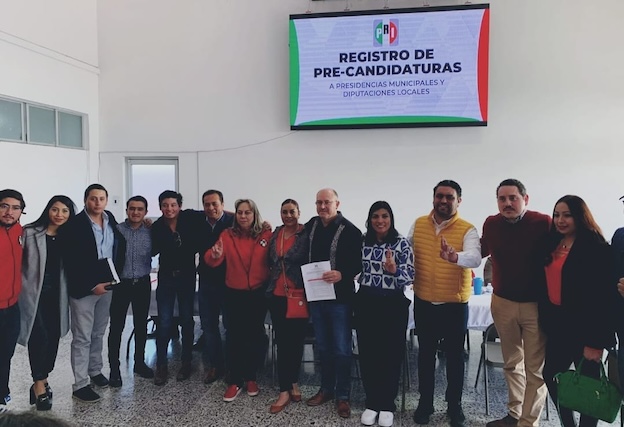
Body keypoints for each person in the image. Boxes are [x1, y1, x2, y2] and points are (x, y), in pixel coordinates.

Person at [537, 195, 615, 427]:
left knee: (589, 386)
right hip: (558, 325)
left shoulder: (597, 249)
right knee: (551, 375)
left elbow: (604, 299)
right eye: (556, 215)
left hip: (586, 328)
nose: (560, 220)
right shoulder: (552, 244)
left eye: (567, 215)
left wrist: (596, 342)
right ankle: (568, 424)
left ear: (580, 217)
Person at [410, 180, 481, 427]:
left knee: (454, 358)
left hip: (454, 304)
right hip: (424, 301)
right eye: (439, 196)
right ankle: (425, 403)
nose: (443, 201)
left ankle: (454, 406)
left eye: (449, 197)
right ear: (433, 198)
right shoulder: (419, 224)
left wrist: (455, 257)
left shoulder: (467, 229)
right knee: (425, 356)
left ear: (458, 201)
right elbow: (406, 251)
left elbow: (475, 258)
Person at [481, 179, 551, 427]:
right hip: (502, 303)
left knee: (535, 370)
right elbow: (479, 251)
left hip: (535, 306)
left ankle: (528, 422)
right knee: (511, 363)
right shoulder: (491, 224)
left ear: (525, 199)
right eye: (502, 199)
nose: (507, 203)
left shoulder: (543, 222)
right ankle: (515, 414)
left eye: (513, 198)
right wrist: (454, 255)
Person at [62, 184, 126, 402]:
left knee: (98, 333)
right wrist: (91, 285)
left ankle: (95, 370)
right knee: (82, 337)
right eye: (93, 198)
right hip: (85, 289)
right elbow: (71, 262)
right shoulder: (74, 225)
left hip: (107, 286)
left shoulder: (110, 220)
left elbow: (117, 248)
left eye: (101, 198)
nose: (97, 202)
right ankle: (80, 384)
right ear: (85, 200)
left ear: (106, 201)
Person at [204, 199, 272, 402]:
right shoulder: (227, 234)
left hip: (257, 293)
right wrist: (214, 255)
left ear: (254, 214)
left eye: (247, 212)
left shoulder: (266, 234)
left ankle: (251, 377)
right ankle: (234, 380)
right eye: (240, 212)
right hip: (233, 293)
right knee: (234, 336)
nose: (243, 216)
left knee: (254, 335)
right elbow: (212, 258)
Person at [304, 188, 362, 419]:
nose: (322, 206)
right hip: (316, 297)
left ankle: (343, 396)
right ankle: (326, 389)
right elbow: (290, 232)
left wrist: (343, 274)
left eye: (327, 202)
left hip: (340, 300)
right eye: (318, 202)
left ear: (337, 203)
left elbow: (359, 263)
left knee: (341, 349)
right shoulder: (311, 225)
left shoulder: (351, 230)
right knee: (323, 347)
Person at [356, 201, 414, 427]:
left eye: (384, 216)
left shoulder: (401, 243)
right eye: (375, 216)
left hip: (392, 304)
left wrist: (394, 270)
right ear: (369, 220)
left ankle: (387, 404)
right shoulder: (363, 241)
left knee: (390, 354)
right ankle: (372, 402)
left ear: (391, 219)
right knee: (368, 353)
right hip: (366, 302)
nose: (380, 221)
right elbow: (353, 267)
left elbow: (410, 275)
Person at [19, 195, 76, 410]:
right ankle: (39, 384)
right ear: (48, 210)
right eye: (55, 209)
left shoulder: (68, 236)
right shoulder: (30, 232)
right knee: (39, 336)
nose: (59, 215)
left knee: (53, 337)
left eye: (64, 211)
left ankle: (43, 378)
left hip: (57, 294)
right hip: (33, 294)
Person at [151, 190, 201, 385]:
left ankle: (186, 362)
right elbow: (153, 250)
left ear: (179, 206)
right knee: (164, 322)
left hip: (187, 277)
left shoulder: (189, 217)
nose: (169, 209)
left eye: (173, 205)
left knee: (187, 320)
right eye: (165, 205)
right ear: (160, 207)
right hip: (166, 278)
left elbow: (214, 212)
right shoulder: (157, 226)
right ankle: (161, 365)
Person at [266, 199, 309, 414]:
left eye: (292, 211)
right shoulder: (275, 233)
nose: (288, 215)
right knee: (283, 343)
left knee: (296, 342)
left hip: (299, 295)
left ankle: (293, 381)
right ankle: (284, 390)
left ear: (299, 213)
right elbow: (270, 260)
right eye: (284, 212)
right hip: (277, 295)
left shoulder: (306, 234)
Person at [107, 196, 154, 388]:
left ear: (145, 212)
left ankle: (139, 363)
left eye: (140, 209)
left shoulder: (151, 231)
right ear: (126, 210)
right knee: (116, 327)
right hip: (121, 284)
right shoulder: (116, 230)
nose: (136, 212)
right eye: (132, 208)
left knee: (141, 325)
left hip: (142, 283)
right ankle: (114, 369)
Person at [196, 189, 234, 384]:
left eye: (215, 204)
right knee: (209, 326)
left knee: (230, 326)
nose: (211, 208)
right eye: (207, 204)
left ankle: (232, 367)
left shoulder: (233, 222)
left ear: (222, 204)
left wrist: (265, 224)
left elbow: (252, 220)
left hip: (228, 282)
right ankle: (215, 365)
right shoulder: (197, 221)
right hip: (206, 282)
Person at [0, 189, 25, 413]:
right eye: (4, 206)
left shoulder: (20, 231)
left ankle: (1, 394)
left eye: (16, 208)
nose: (9, 212)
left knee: (5, 353)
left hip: (12, 305)